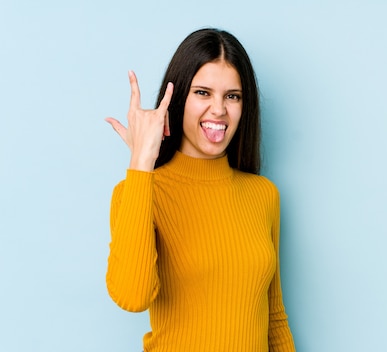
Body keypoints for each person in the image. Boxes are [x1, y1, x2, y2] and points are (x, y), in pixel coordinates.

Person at [104, 28, 296, 352]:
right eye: (203, 93)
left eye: (232, 96)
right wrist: (141, 163)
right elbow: (132, 296)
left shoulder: (264, 195)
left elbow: (274, 319)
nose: (219, 110)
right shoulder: (137, 192)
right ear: (178, 100)